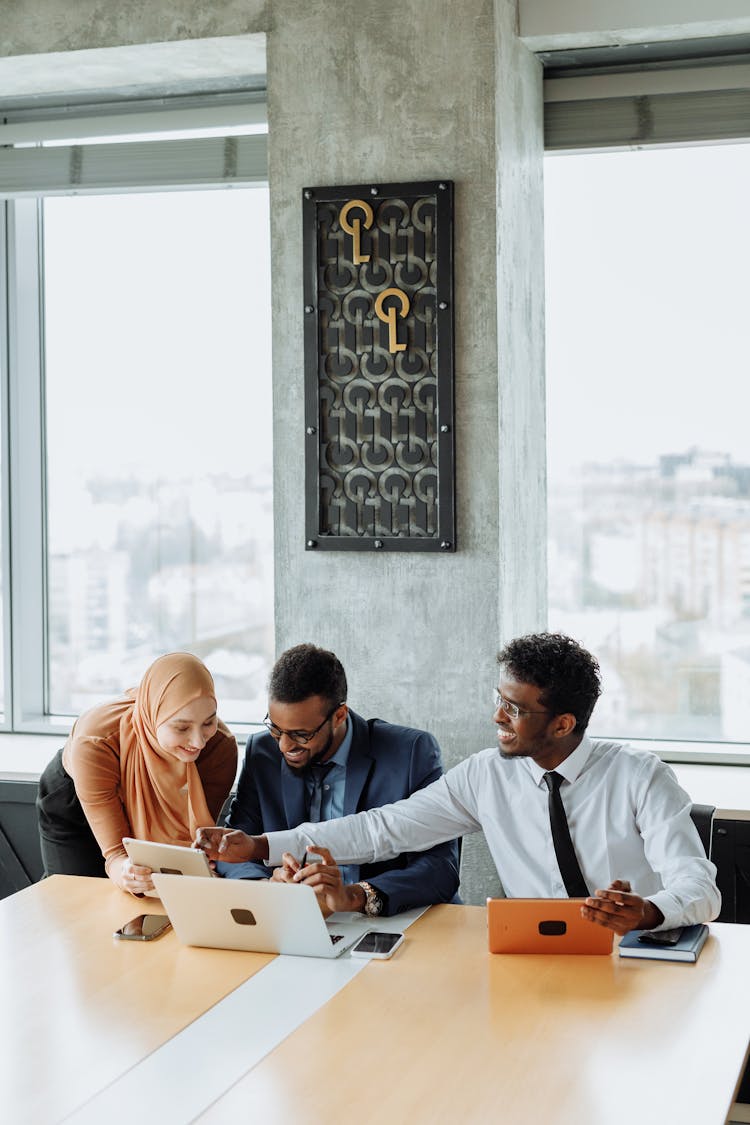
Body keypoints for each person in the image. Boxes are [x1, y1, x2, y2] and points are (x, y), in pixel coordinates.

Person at [197, 633, 721, 934]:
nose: (497, 715)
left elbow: (700, 887)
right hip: (536, 953)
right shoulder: (485, 776)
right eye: (499, 698)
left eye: (514, 708)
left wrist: (649, 911)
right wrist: (264, 845)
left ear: (562, 724)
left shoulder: (641, 776)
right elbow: (385, 829)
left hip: (642, 952)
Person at [216, 642, 459, 917]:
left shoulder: (410, 753)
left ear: (339, 715)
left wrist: (354, 897)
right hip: (295, 920)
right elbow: (236, 846)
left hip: (387, 922)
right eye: (276, 729)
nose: (284, 746)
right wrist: (267, 885)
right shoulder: (263, 752)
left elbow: (440, 869)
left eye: (300, 734)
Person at [37, 652, 237, 896]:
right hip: (76, 800)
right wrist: (123, 870)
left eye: (208, 722)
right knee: (74, 897)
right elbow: (116, 857)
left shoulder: (219, 748)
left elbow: (193, 842)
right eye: (181, 727)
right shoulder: (95, 742)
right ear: (153, 718)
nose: (198, 741)